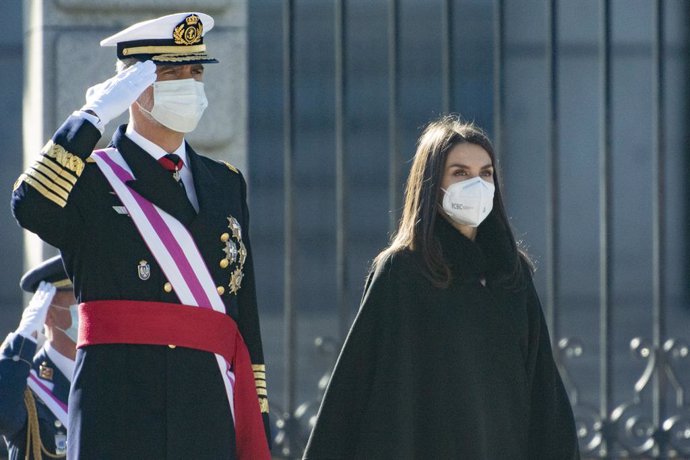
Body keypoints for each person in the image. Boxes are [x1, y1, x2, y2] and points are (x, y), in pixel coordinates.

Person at [11, 12, 270, 460]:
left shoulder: (226, 182)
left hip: (207, 406)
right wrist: (90, 118)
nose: (190, 84)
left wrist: (256, 412)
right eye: (172, 73)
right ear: (134, 88)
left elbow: (242, 310)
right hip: (119, 411)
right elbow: (30, 204)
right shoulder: (90, 180)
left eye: (196, 72)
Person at [303, 115, 580, 459]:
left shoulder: (510, 274)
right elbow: (354, 389)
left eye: (486, 173)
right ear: (433, 184)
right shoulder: (403, 272)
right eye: (460, 173)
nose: (476, 184)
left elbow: (543, 392)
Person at [0, 256, 77, 459]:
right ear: (48, 313)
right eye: (80, 300)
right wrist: (23, 338)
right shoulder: (25, 384)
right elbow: (3, 415)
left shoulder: (108, 379)